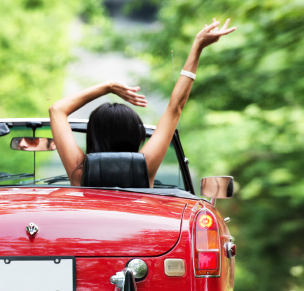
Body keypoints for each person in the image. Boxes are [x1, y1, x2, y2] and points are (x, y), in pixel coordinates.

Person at [49, 18, 236, 187]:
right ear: (139, 137)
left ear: (92, 136)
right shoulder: (144, 167)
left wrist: (108, 87)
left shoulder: (79, 172)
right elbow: (175, 108)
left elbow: (57, 110)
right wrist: (197, 48)